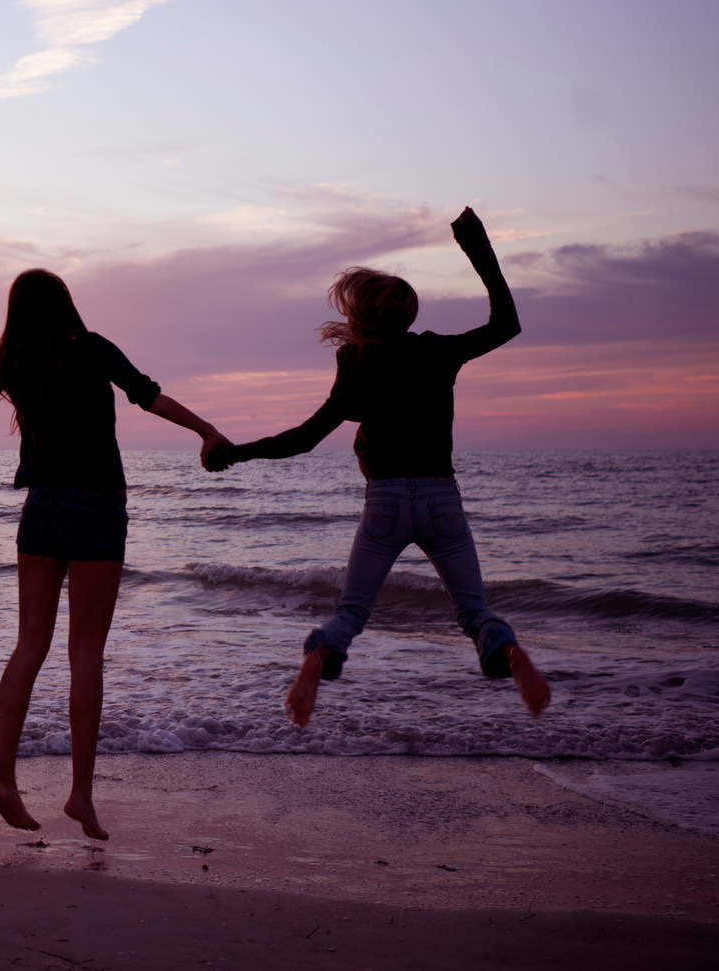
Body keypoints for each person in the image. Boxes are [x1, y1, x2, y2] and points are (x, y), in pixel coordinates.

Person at [212, 207, 552, 726]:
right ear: (407, 314)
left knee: (351, 613)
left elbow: (303, 440)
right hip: (441, 500)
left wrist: (234, 452)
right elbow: (508, 324)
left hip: (386, 503)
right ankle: (506, 651)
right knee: (473, 612)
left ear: (362, 316)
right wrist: (479, 251)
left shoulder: (355, 366)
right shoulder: (439, 351)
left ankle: (321, 655)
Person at [0, 271, 229, 841]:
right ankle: (79, 794)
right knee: (86, 652)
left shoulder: (14, 361)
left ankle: (3, 777)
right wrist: (205, 429)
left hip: (41, 506)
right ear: (65, 304)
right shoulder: (92, 348)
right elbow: (147, 394)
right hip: (96, 504)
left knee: (30, 644)